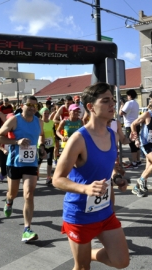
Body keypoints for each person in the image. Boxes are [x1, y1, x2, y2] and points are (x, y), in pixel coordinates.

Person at [52, 82, 129, 269]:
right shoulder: (78, 139)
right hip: (79, 214)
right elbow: (57, 179)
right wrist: (85, 188)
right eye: (105, 101)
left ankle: (89, 254)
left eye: (113, 100)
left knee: (121, 261)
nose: (112, 105)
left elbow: (107, 168)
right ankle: (84, 258)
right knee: (82, 268)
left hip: (105, 211)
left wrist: (117, 177)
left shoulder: (112, 135)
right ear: (90, 107)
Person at [0, 95, 45, 242]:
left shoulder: (39, 122)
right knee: (13, 193)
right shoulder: (14, 120)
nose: (31, 108)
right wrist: (17, 142)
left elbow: (42, 135)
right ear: (22, 105)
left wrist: (41, 146)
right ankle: (9, 201)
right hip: (14, 163)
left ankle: (27, 229)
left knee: (29, 194)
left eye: (34, 106)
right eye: (29, 105)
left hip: (31, 163)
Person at [120, 89, 141, 169]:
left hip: (129, 125)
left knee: (132, 143)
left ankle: (134, 162)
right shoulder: (136, 103)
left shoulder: (128, 103)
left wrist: (121, 105)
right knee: (136, 143)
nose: (127, 97)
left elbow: (121, 113)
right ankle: (138, 160)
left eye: (127, 95)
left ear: (130, 95)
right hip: (136, 124)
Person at [38, 107, 55, 185]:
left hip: (50, 144)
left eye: (48, 113)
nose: (47, 115)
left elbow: (54, 132)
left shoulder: (52, 122)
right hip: (41, 144)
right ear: (41, 114)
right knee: (39, 160)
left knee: (49, 160)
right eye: (45, 113)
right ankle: (36, 173)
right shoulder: (39, 122)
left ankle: (48, 177)